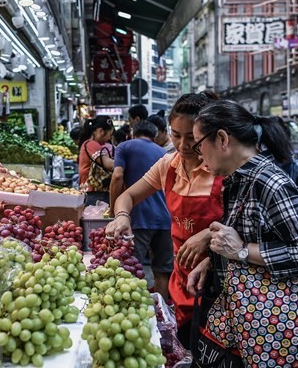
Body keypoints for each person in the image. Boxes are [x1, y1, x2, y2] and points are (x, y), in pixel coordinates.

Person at [187, 100, 298, 367]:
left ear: (221, 138)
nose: (198, 154)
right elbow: (253, 235)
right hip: (242, 322)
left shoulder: (269, 182)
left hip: (267, 327)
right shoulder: (239, 180)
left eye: (198, 144)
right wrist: (213, 260)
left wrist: (241, 250)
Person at [105, 92, 222, 348]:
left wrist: (209, 236)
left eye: (191, 137)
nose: (182, 145)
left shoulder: (223, 168)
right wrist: (122, 216)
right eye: (175, 135)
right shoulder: (168, 165)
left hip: (218, 282)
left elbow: (246, 227)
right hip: (181, 278)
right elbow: (127, 195)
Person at [109, 121, 172, 299]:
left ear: (133, 133)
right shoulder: (164, 153)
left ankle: (130, 308)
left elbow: (117, 175)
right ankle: (162, 312)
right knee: (162, 271)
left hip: (138, 217)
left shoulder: (124, 146)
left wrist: (114, 210)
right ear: (155, 136)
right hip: (165, 218)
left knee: (130, 268)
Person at [78, 116, 115, 206]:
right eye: (109, 135)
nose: (109, 139)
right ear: (101, 131)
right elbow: (109, 164)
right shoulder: (91, 144)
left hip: (91, 193)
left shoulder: (89, 143)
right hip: (93, 194)